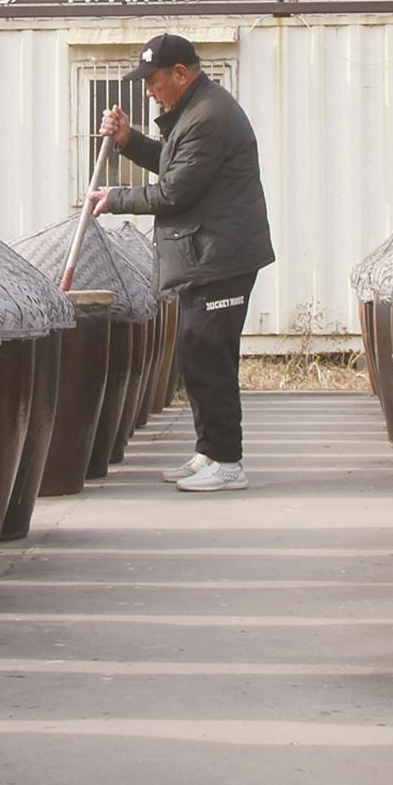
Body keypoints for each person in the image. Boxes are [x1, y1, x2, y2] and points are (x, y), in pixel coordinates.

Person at [88, 33, 274, 492]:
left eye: (153, 82)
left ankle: (227, 462)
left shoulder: (208, 118)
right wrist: (129, 140)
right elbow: (175, 166)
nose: (150, 92)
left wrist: (117, 199)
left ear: (180, 74)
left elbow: (174, 192)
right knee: (196, 355)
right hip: (204, 255)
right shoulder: (195, 113)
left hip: (220, 258)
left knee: (210, 359)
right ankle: (209, 451)